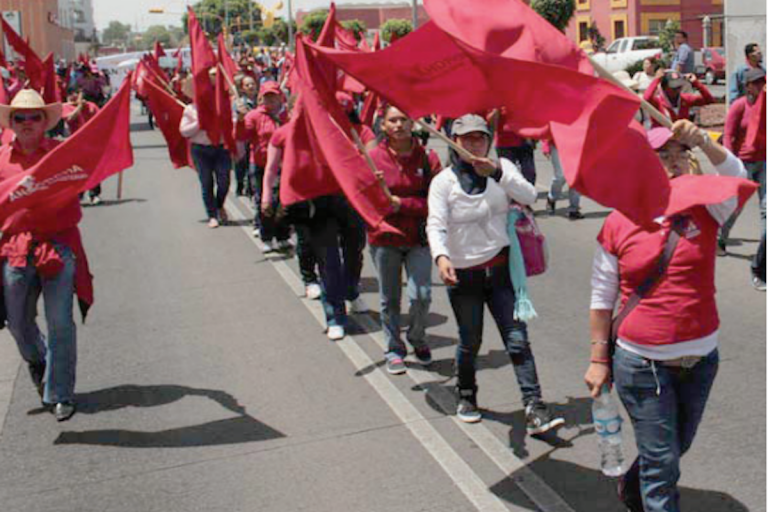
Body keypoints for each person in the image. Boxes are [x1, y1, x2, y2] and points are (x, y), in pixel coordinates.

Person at [585, 120, 749, 512]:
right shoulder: (619, 221)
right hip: (643, 364)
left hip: (701, 359)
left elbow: (737, 175)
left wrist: (704, 141)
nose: (673, 161)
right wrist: (598, 359)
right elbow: (602, 296)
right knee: (661, 463)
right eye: (662, 154)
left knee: (677, 446)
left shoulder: (707, 208)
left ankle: (633, 485)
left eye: (680, 153)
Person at [427, 114, 564, 432]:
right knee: (470, 341)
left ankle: (534, 406)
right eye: (467, 138)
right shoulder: (443, 182)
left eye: (480, 138)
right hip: (464, 276)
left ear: (489, 141)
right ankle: (467, 395)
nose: (474, 144)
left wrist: (498, 173)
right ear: (454, 142)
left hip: (501, 272)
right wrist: (441, 256)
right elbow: (435, 224)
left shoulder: (503, 167)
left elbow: (529, 196)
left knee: (517, 340)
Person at [0, 90, 95, 422]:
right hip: (15, 249)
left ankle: (60, 394)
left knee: (60, 322)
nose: (27, 123)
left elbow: (89, 171)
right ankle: (38, 360)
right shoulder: (0, 158)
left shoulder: (61, 154)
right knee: (17, 322)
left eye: (34, 117)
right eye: (20, 117)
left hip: (59, 246)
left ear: (45, 122)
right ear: (11, 122)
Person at [368, 105, 442, 375]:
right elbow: (362, 201)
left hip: (418, 238)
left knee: (421, 295)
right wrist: (374, 190)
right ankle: (394, 348)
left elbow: (439, 202)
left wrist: (403, 204)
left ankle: (417, 337)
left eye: (403, 120)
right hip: (384, 238)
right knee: (389, 299)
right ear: (383, 125)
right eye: (392, 120)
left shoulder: (428, 158)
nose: (398, 125)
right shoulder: (371, 158)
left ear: (413, 124)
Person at [261, 119, 321, 298]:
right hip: (298, 195)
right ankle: (310, 279)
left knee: (328, 239)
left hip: (324, 193)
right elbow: (271, 169)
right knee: (305, 239)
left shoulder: (323, 128)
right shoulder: (282, 134)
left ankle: (334, 278)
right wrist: (266, 197)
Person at [721, 67, 766, 289]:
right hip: (743, 164)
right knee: (735, 207)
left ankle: (761, 265)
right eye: (756, 83)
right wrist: (731, 165)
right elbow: (728, 135)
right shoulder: (740, 105)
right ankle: (720, 238)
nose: (761, 86)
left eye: (763, 82)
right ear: (747, 86)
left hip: (764, 163)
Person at [179, 75, 232, 228]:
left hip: (221, 148)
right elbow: (184, 131)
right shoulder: (191, 109)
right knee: (206, 182)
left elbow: (232, 123)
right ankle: (212, 215)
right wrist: (199, 123)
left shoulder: (222, 106)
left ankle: (219, 205)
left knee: (224, 180)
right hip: (201, 150)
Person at [238, 81, 287, 238]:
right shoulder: (254, 115)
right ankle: (264, 231)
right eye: (267, 96)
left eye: (273, 96)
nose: (270, 100)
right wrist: (240, 120)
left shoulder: (288, 115)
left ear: (280, 97)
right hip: (260, 163)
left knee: (282, 200)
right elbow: (241, 136)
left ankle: (282, 234)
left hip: (283, 165)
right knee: (262, 199)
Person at [62, 86, 102, 205]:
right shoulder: (65, 107)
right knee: (78, 171)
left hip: (91, 142)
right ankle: (79, 194)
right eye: (71, 94)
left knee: (93, 169)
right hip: (75, 144)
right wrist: (79, 106)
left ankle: (94, 194)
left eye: (77, 93)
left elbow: (101, 119)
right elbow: (70, 118)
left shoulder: (91, 106)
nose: (74, 96)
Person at [644, 70, 715, 126]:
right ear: (664, 88)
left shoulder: (685, 99)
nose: (677, 90)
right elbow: (646, 99)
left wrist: (696, 83)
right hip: (663, 138)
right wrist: (657, 80)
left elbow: (709, 100)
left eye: (679, 87)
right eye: (673, 88)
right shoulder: (657, 102)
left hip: (682, 138)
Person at [487, 107, 537, 185]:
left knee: (529, 173)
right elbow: (491, 124)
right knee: (508, 174)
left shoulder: (523, 102)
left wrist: (535, 138)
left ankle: (528, 191)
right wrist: (497, 110)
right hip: (504, 144)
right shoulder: (497, 104)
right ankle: (510, 191)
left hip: (524, 142)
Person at [544, 139, 583, 220]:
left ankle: (573, 209)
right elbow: (548, 131)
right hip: (557, 146)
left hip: (576, 146)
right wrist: (546, 146)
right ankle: (551, 198)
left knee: (575, 177)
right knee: (560, 176)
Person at [233, 75, 258, 197]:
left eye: (252, 84)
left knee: (251, 163)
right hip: (242, 137)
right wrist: (240, 115)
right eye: (247, 85)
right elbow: (234, 120)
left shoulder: (260, 101)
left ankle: (250, 187)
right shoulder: (238, 103)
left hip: (256, 137)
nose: (251, 86)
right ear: (242, 88)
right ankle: (239, 183)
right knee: (241, 163)